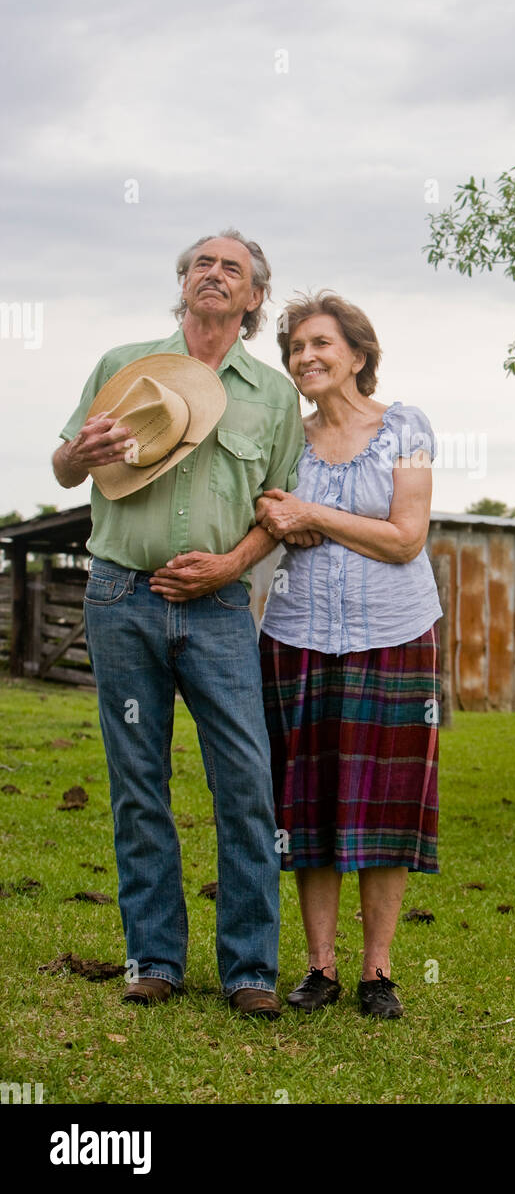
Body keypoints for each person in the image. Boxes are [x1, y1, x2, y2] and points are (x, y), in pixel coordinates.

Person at [52, 229, 308, 1018]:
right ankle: (154, 958)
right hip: (120, 597)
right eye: (203, 263)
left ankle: (250, 971)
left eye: (233, 268)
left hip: (223, 610)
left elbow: (283, 512)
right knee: (138, 785)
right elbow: (64, 466)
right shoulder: (123, 367)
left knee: (246, 786)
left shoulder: (272, 396)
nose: (216, 275)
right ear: (184, 282)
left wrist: (232, 566)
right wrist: (80, 455)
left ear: (255, 297)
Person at [257, 292, 442, 1019]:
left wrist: (313, 516)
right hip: (297, 632)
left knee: (388, 806)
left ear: (358, 356)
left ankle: (379, 973)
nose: (306, 357)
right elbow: (268, 514)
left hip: (395, 632)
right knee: (308, 805)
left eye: (321, 344)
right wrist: (293, 516)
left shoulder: (407, 427)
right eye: (296, 348)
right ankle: (320, 969)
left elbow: (405, 537)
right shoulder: (286, 438)